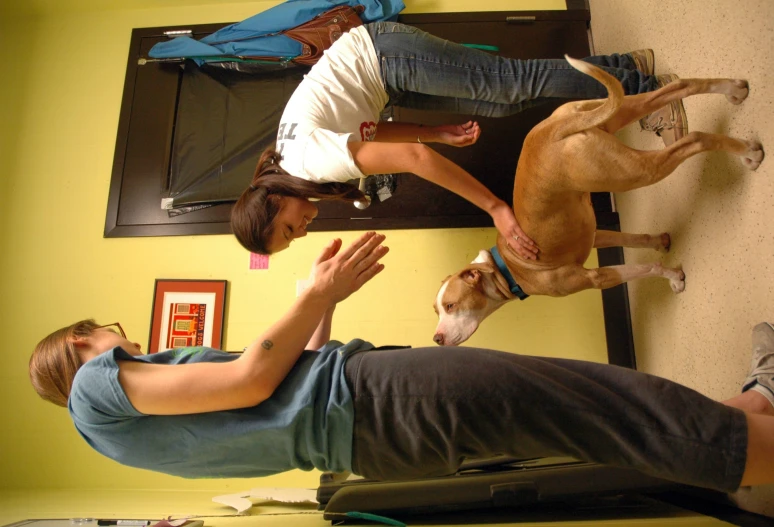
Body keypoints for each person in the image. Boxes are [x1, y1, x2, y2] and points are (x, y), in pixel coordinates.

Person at [29, 231, 774, 493]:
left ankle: (755, 404)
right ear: (79, 344)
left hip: (369, 428)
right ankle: (754, 436)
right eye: (103, 332)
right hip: (378, 404)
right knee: (600, 407)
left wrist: (316, 302)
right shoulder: (99, 387)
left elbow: (278, 381)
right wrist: (312, 294)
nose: (119, 335)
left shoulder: (118, 430)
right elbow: (252, 375)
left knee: (591, 409)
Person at [230, 21, 684, 257]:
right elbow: (369, 132)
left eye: (289, 228)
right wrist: (434, 132)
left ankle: (652, 92)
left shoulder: (307, 165)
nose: (303, 230)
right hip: (380, 76)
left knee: (512, 82)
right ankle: (627, 65)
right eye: (295, 238)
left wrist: (497, 208)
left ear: (274, 203)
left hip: (380, 56)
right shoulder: (292, 164)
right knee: (503, 101)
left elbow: (412, 159)